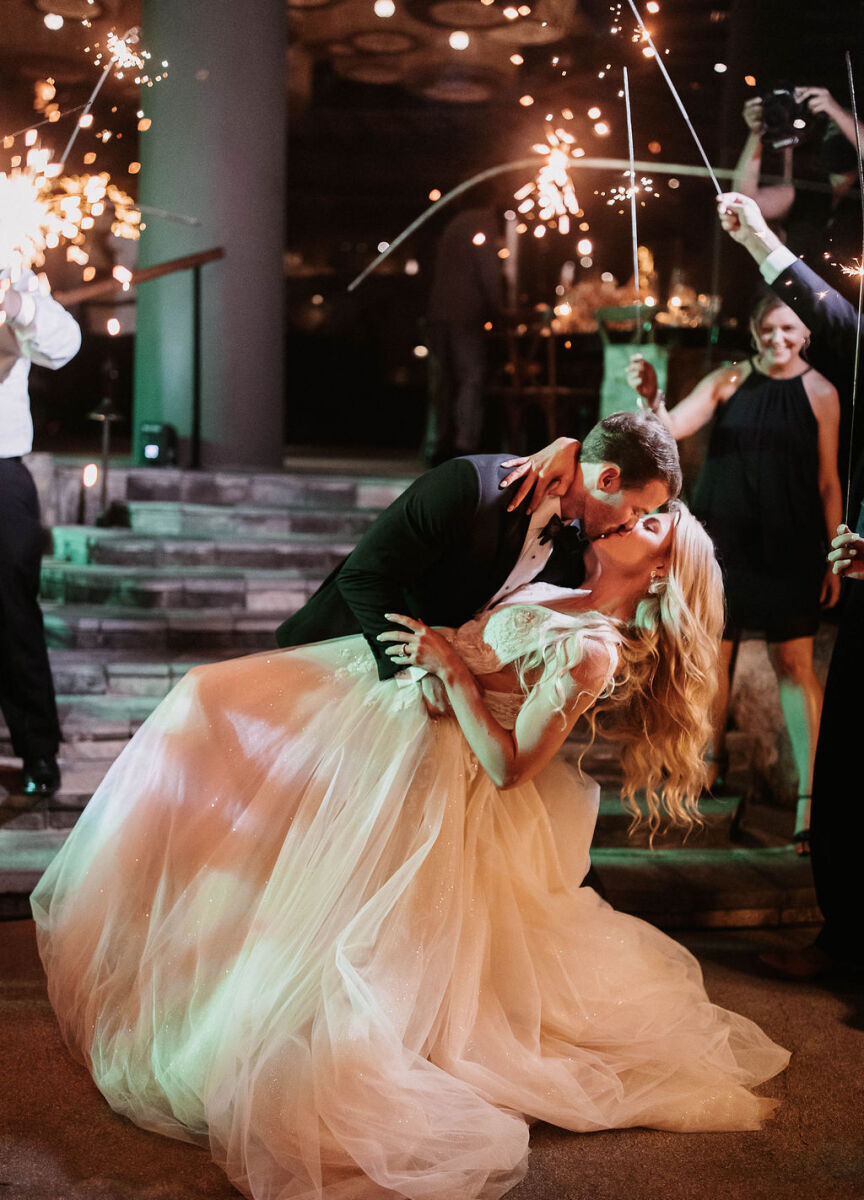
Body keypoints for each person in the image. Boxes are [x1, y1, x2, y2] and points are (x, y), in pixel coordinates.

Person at [32, 500, 789, 1200]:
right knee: (208, 707)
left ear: (659, 570)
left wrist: (455, 672)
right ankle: (165, 940)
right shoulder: (556, 579)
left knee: (353, 946)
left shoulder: (593, 649)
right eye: (643, 509)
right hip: (383, 713)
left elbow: (511, 768)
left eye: (656, 525)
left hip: (438, 776)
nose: (635, 520)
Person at [276, 411, 681, 717]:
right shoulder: (470, 487)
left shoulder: (576, 547)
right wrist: (415, 679)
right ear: (607, 480)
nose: (631, 522)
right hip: (337, 660)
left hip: (428, 707)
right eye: (637, 509)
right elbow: (364, 576)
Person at [625, 297, 842, 851]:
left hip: (790, 545)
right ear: (753, 329)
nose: (778, 337)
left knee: (794, 662)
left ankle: (810, 805)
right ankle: (707, 769)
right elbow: (671, 429)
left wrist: (834, 555)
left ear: (806, 333)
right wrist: (652, 396)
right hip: (725, 541)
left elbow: (827, 481)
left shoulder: (822, 393)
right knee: (713, 656)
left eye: (789, 328)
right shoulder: (727, 379)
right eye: (767, 327)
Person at [717, 190, 864, 980]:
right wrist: (761, 241)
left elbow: (829, 473)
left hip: (792, 556)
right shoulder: (757, 374)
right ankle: (843, 939)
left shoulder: (822, 390)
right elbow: (838, 321)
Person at [0, 269, 81, 796]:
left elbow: (63, 345)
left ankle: (38, 753)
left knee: (12, 616)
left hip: (0, 470)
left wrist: (20, 304)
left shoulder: (15, 274)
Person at [422, 205, 503, 465]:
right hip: (465, 312)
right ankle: (463, 446)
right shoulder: (482, 221)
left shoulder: (455, 221)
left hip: (438, 308)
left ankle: (438, 443)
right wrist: (498, 307)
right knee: (471, 377)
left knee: (442, 380)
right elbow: (488, 269)